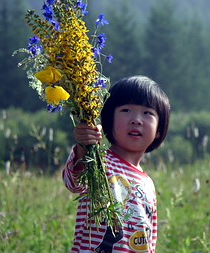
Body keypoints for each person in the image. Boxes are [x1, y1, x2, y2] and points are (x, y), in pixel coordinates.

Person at [62, 75, 170, 253]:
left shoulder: (148, 183)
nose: (136, 119)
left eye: (147, 113)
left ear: (159, 130)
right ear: (109, 119)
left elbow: (149, 237)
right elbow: (73, 183)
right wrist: (83, 147)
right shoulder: (99, 160)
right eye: (126, 110)